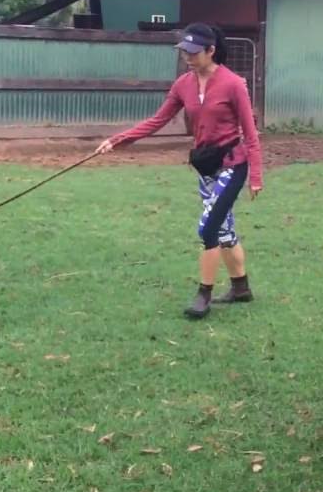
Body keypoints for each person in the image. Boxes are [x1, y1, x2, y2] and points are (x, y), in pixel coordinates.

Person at [96, 22, 264, 320]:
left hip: (232, 164)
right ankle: (241, 288)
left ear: (211, 51)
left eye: (193, 51)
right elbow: (158, 120)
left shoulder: (233, 83)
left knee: (208, 228)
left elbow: (250, 133)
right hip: (205, 165)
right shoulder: (183, 84)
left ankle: (204, 294)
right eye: (183, 51)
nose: (187, 56)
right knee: (224, 229)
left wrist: (256, 176)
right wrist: (117, 140)